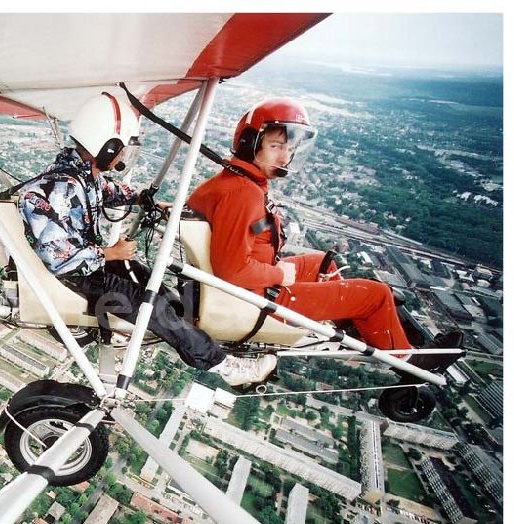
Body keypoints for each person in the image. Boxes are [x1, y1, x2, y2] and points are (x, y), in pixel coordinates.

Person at [18, 92, 277, 387]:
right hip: (77, 279)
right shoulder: (56, 189)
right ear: (106, 146)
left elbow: (107, 191)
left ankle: (193, 334)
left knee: (153, 285)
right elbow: (57, 257)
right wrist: (109, 253)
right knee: (149, 307)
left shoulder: (79, 174)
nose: (121, 156)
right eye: (121, 149)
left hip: (93, 269)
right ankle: (225, 367)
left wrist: (143, 199)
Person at [186, 98, 461, 372]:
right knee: (375, 294)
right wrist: (280, 275)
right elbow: (232, 270)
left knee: (322, 264)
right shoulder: (243, 194)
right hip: (258, 297)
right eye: (275, 146)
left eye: (290, 147)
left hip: (253, 283)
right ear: (249, 145)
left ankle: (363, 327)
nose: (285, 157)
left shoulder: (233, 182)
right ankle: (407, 360)